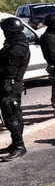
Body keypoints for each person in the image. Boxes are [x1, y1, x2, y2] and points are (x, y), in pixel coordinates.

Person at [0, 17, 31, 161]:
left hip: (11, 86)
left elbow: (8, 70)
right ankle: (15, 144)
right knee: (9, 116)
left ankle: (20, 147)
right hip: (8, 85)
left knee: (12, 116)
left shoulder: (18, 48)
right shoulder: (13, 44)